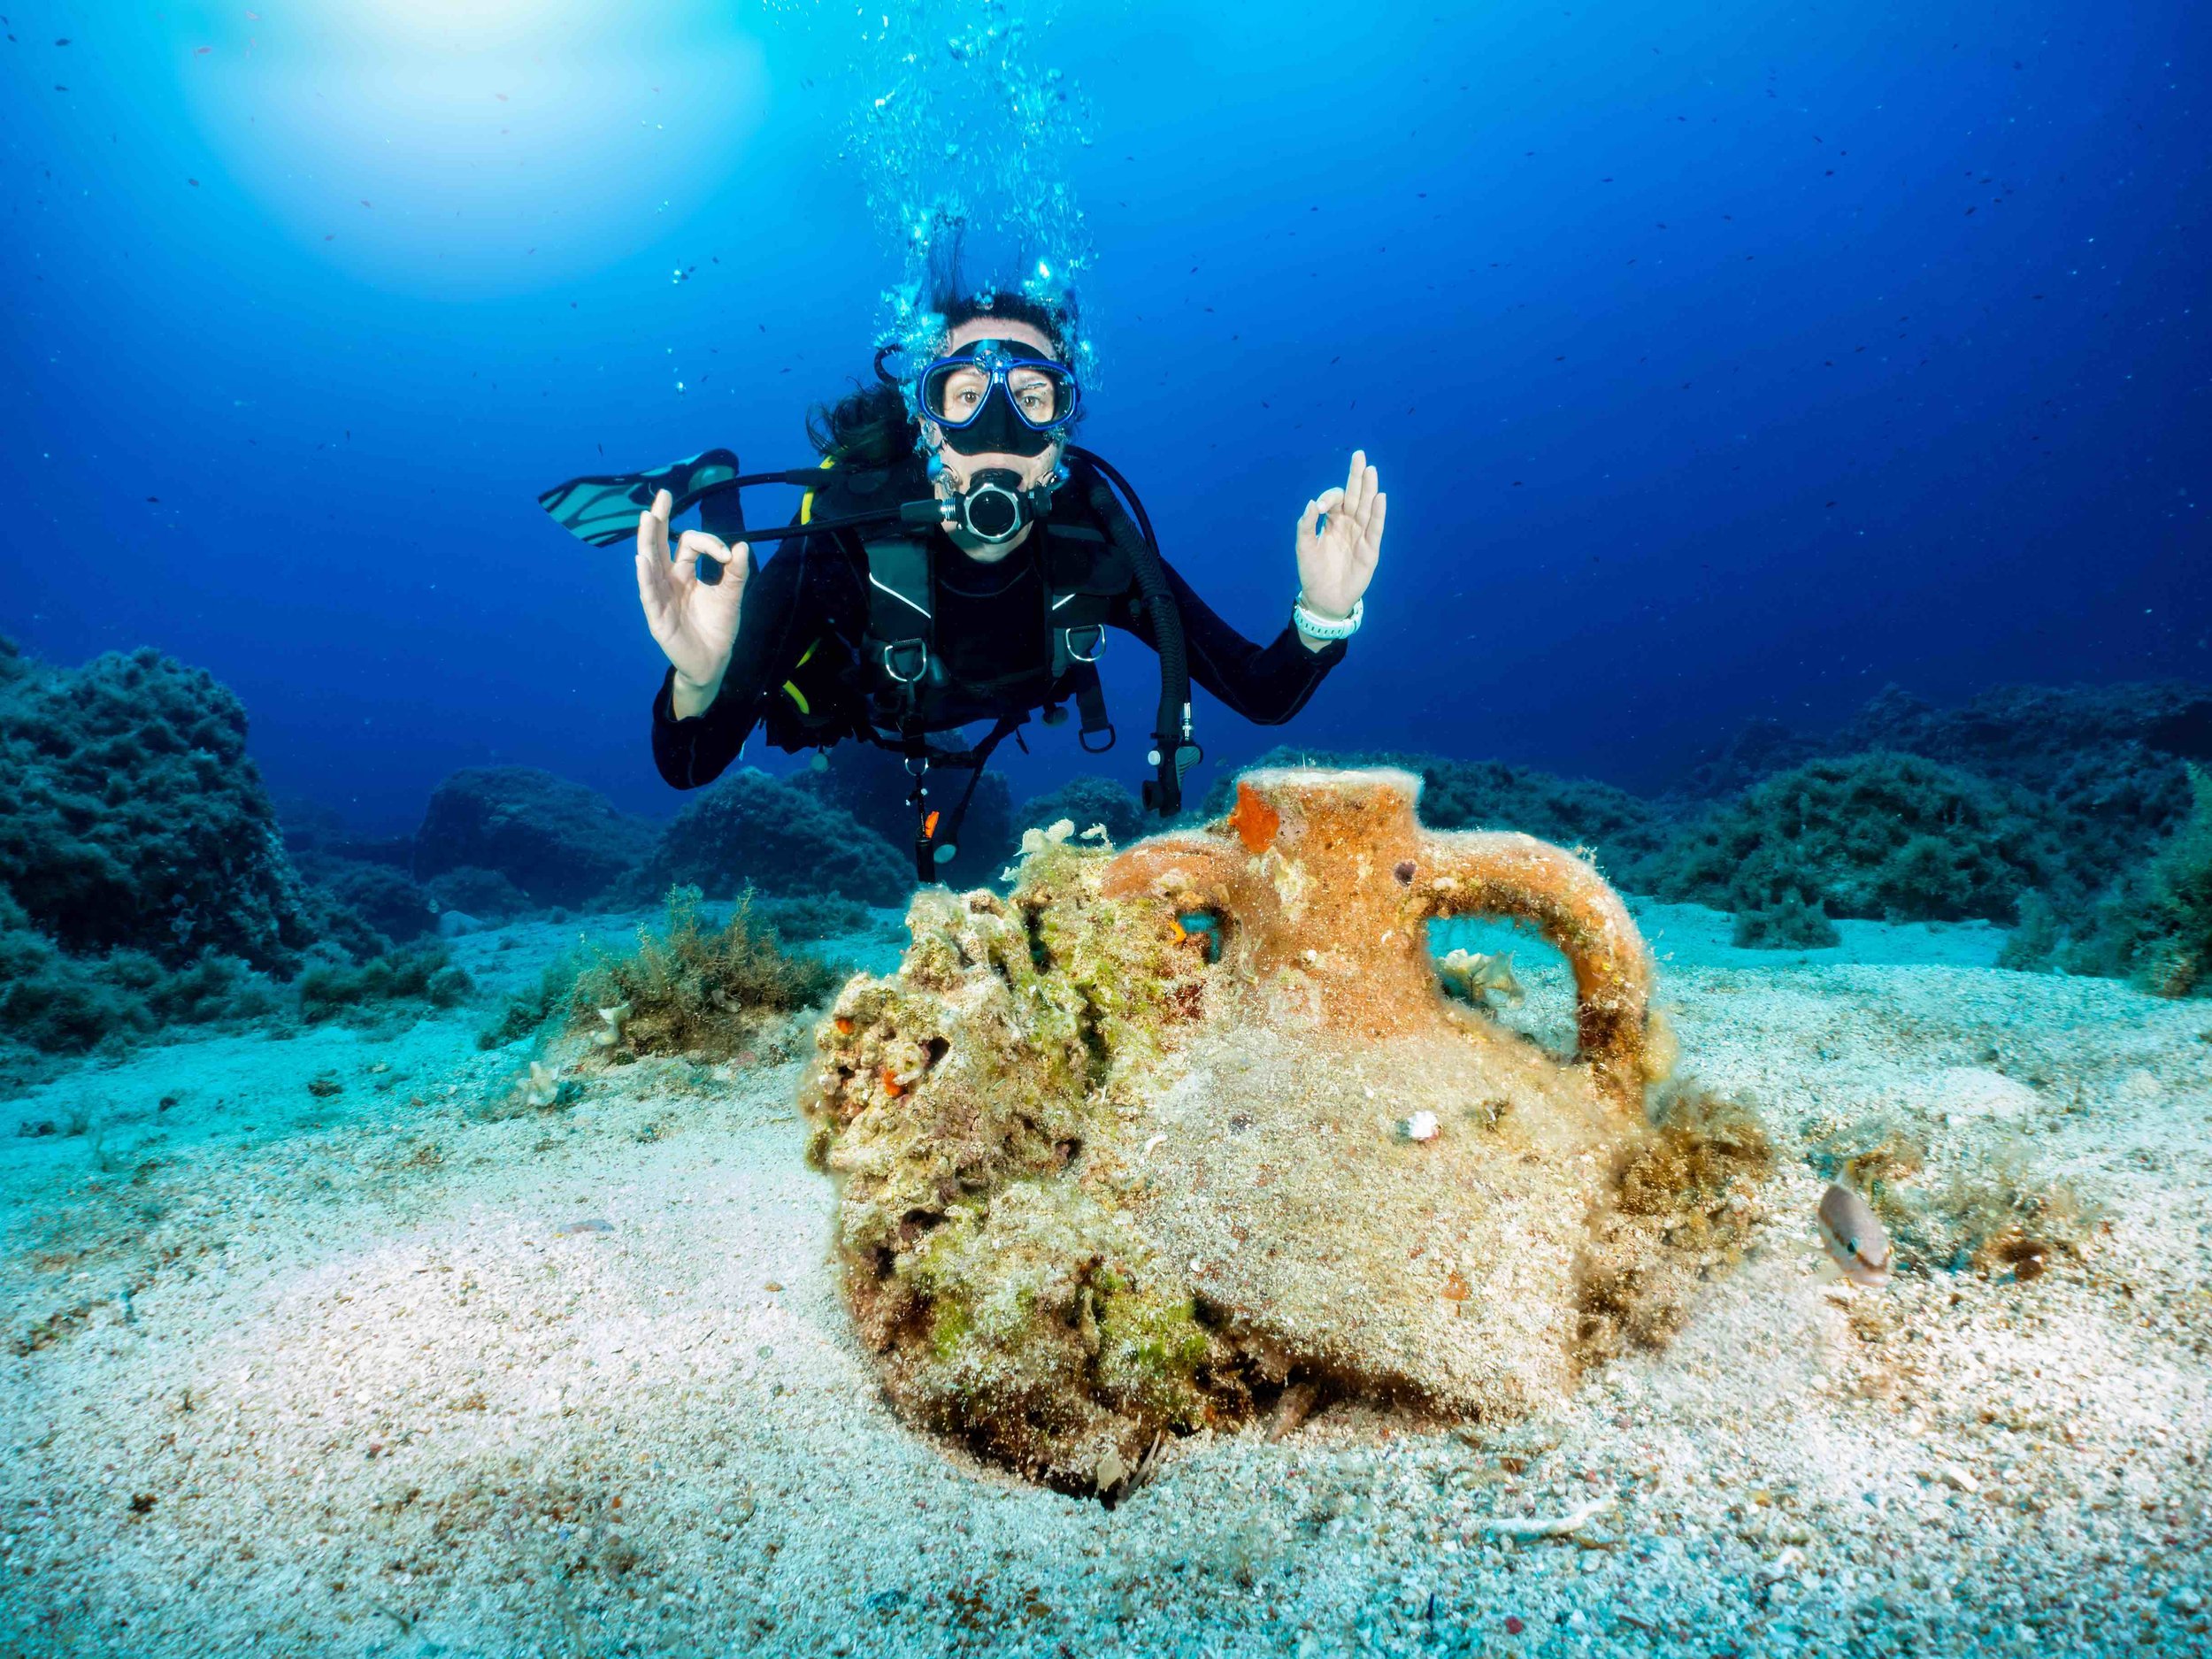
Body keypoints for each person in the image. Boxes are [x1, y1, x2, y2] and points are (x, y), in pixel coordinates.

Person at [621, 288, 1386, 876]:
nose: (996, 430)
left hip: (946, 691)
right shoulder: (846, 542)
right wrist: (698, 678)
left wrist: (1325, 612)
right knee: (747, 606)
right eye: (963, 396)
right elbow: (687, 766)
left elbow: (1261, 692)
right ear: (926, 427)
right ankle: (714, 489)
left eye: (1030, 399)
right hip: (867, 702)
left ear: (1060, 435)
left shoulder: (1096, 543)